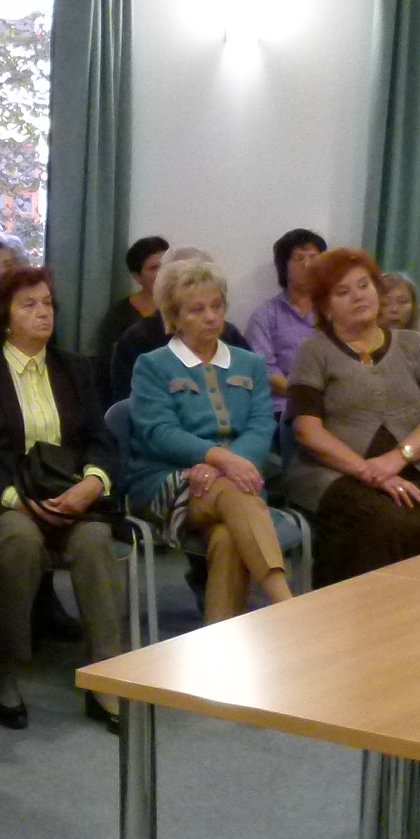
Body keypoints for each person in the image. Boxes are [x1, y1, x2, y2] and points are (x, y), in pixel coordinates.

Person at [0, 265, 125, 729]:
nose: (43, 312)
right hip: (2, 500)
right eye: (29, 305)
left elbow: (100, 439)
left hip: (70, 495)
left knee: (94, 541)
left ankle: (105, 675)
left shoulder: (75, 369)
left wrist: (93, 482)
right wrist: (15, 498)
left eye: (47, 303)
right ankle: (7, 670)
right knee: (20, 538)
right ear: (5, 318)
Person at [124, 254, 292, 622]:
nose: (211, 317)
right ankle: (285, 602)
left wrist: (224, 466)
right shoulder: (152, 365)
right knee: (235, 493)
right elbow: (159, 432)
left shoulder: (249, 364)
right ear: (174, 316)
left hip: (235, 481)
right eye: (197, 309)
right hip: (168, 482)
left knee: (227, 537)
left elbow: (261, 426)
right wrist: (221, 459)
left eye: (217, 306)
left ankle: (220, 642)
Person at [282, 249, 420, 585]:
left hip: (413, 465)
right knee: (382, 523)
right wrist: (370, 472)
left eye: (364, 285)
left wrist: (398, 458)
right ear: (325, 306)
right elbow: (307, 430)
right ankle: (361, 614)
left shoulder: (415, 345)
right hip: (335, 473)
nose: (358, 297)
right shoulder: (313, 351)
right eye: (343, 292)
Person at [105, 246, 251, 420]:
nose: (210, 316)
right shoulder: (138, 340)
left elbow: (254, 404)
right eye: (188, 281)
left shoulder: (228, 334)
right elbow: (133, 408)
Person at [244, 227, 326, 404]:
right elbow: (264, 371)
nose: (307, 265)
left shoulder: (333, 312)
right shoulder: (264, 316)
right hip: (284, 406)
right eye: (298, 259)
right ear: (284, 267)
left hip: (333, 406)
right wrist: (307, 397)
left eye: (314, 258)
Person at [92, 235, 168, 393]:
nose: (163, 273)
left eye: (166, 265)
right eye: (154, 268)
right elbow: (108, 368)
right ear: (137, 277)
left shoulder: (185, 309)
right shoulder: (119, 315)